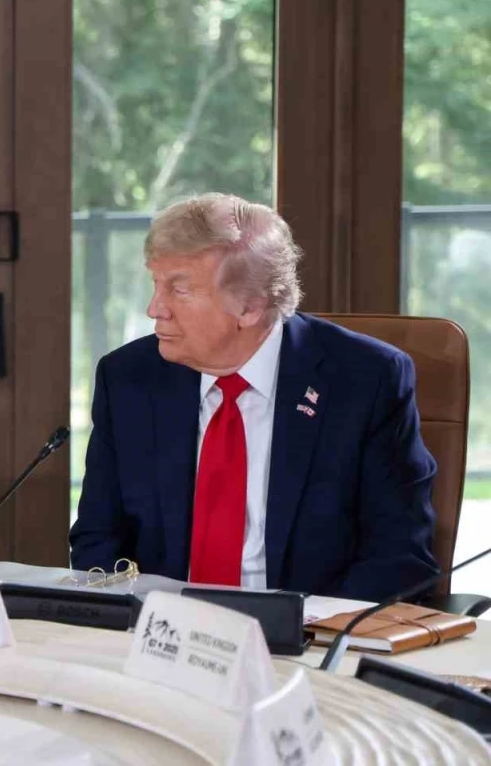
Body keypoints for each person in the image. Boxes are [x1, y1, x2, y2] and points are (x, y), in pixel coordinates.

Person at [68, 193, 439, 601]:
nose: (155, 308)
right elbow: (97, 540)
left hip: (305, 629)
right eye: (156, 284)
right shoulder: (127, 379)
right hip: (159, 628)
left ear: (250, 306)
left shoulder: (366, 380)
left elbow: (398, 557)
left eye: (179, 290)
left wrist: (306, 629)